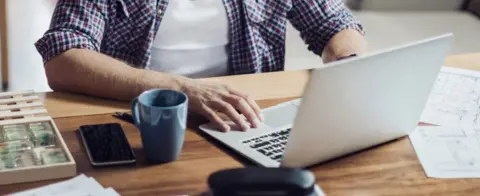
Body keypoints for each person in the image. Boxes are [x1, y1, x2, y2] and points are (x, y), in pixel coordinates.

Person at [35, 0, 367, 132]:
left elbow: (336, 24)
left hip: (244, 120)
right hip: (137, 121)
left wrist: (350, 67)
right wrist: (182, 89)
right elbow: (63, 58)